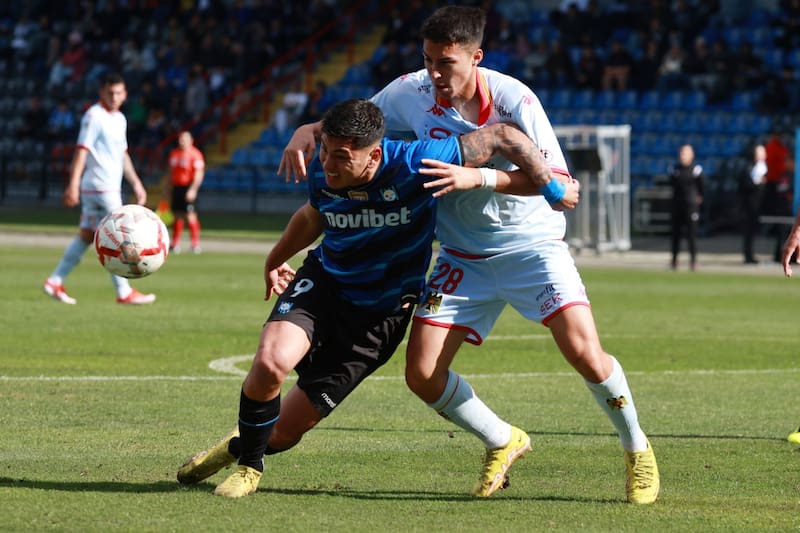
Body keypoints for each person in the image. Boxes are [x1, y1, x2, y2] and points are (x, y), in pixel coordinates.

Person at [279, 5, 659, 505]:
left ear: (476, 57)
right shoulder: (409, 91)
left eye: (447, 63)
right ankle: (503, 439)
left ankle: (637, 449)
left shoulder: (514, 99)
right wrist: (309, 129)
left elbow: (562, 187)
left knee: (585, 353)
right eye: (429, 59)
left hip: (531, 249)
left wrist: (479, 176)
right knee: (422, 374)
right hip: (461, 255)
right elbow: (360, 126)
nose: (435, 73)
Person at [176, 98, 578, 498]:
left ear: (375, 155)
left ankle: (234, 448)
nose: (328, 165)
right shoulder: (323, 165)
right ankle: (250, 467)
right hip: (325, 283)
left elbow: (504, 136)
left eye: (341, 157)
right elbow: (313, 216)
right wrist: (274, 259)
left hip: (379, 317)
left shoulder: (416, 163)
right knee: (269, 363)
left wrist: (554, 187)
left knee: (283, 431)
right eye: (325, 152)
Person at [42, 72, 155, 305]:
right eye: (110, 93)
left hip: (105, 186)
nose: (115, 97)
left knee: (87, 235)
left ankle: (55, 280)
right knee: (122, 234)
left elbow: (122, 155)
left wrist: (135, 182)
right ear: (102, 92)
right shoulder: (94, 116)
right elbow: (81, 150)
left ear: (125, 94)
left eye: (119, 93)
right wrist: (72, 185)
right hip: (100, 187)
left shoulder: (119, 119)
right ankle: (123, 291)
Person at [165, 130, 205, 254]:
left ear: (191, 141)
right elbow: (170, 172)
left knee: (190, 215)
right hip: (176, 187)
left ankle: (195, 244)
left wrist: (193, 189)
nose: (182, 141)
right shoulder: (174, 153)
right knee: (176, 215)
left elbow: (199, 174)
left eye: (184, 139)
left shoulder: (195, 154)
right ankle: (175, 244)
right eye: (180, 139)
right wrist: (167, 188)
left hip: (188, 187)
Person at [669, 144, 704, 271]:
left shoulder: (696, 170)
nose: (682, 156)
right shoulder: (675, 169)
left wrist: (698, 198)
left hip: (691, 207)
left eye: (685, 153)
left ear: (692, 155)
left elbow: (702, 187)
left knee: (692, 236)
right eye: (681, 153)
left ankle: (693, 261)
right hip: (677, 206)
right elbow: (672, 185)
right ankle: (674, 261)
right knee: (675, 235)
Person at [740, 144, 767, 264]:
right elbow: (743, 184)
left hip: (762, 204)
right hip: (750, 205)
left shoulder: (766, 167)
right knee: (749, 231)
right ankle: (748, 255)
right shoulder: (749, 167)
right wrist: (757, 183)